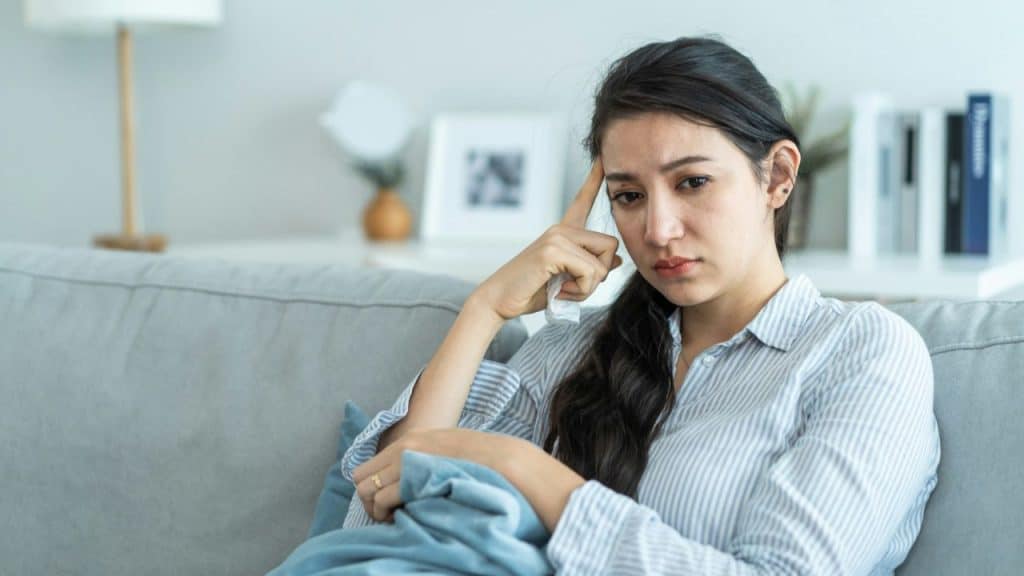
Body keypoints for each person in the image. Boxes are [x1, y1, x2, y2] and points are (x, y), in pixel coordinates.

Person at [340, 35, 941, 575]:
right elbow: (380, 522)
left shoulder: (863, 351)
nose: (657, 229)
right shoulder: (571, 349)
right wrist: (485, 310)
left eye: (692, 182)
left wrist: (527, 470)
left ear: (777, 176)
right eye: (628, 195)